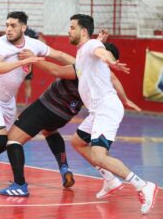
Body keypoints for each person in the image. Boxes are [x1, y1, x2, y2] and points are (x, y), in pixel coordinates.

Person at [0, 40, 141, 197]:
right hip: (67, 113)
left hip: (50, 105)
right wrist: (125, 99)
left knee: (13, 140)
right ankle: (70, 168)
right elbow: (114, 78)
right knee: (59, 135)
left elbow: (57, 70)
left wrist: (34, 59)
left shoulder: (83, 69)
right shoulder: (104, 72)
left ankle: (19, 184)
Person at [0, 11, 75, 183]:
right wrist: (23, 62)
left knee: (5, 143)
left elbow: (59, 55)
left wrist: (83, 66)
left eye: (13, 25)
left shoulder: (33, 44)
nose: (8, 29)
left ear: (23, 28)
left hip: (8, 101)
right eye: (7, 25)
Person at [66, 14, 157, 214]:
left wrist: (112, 60)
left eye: (72, 27)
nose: (68, 30)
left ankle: (143, 186)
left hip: (106, 109)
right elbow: (96, 50)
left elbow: (100, 52)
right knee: (77, 142)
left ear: (83, 32)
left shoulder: (90, 46)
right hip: (96, 111)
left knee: (99, 155)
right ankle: (110, 180)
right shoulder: (85, 49)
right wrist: (125, 99)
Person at [22, 27, 45, 105]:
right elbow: (43, 41)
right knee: (23, 84)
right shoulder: (31, 31)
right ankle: (26, 104)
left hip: (26, 61)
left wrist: (36, 51)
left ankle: (27, 104)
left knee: (26, 83)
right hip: (18, 62)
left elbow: (43, 41)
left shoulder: (31, 31)